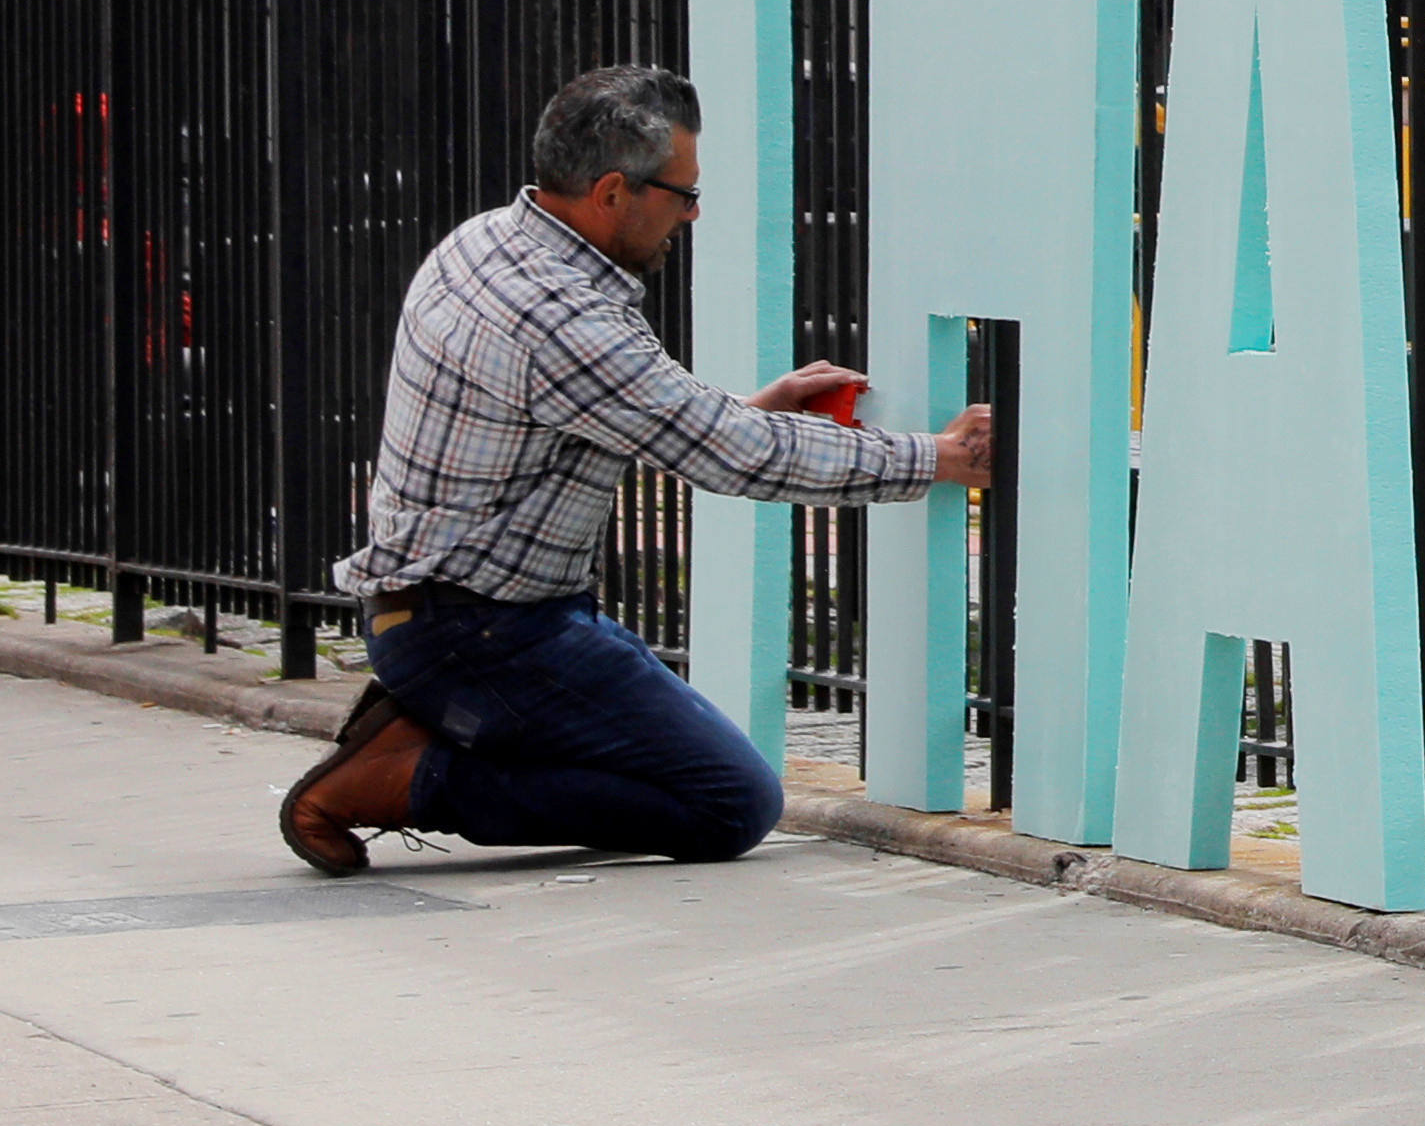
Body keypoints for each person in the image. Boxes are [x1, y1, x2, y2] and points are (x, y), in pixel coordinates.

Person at [282, 61, 993, 874]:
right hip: (483, 633)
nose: (693, 211)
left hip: (453, 612)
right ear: (613, 191)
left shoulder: (488, 241)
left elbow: (598, 414)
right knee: (729, 802)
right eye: (682, 192)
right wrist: (938, 458)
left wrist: (751, 407)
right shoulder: (556, 314)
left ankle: (442, 726)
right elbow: (728, 455)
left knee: (663, 767)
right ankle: (408, 776)